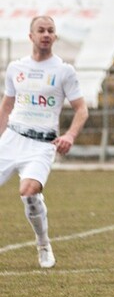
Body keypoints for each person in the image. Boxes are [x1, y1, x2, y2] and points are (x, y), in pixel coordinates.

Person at [0, 16, 89, 269]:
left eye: (50, 30)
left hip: (41, 144)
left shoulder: (63, 71)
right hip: (12, 138)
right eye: (41, 30)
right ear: (31, 36)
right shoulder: (16, 69)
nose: (46, 34)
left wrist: (70, 135)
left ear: (55, 37)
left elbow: (81, 110)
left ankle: (43, 243)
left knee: (28, 191)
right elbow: (6, 106)